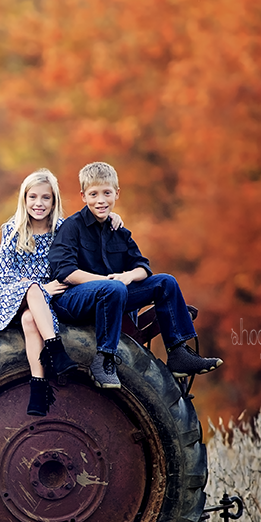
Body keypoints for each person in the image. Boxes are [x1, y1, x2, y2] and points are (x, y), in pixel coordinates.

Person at [48, 161, 222, 389]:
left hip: (115, 293)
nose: (101, 200)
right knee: (114, 288)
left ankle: (178, 353)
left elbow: (142, 266)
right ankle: (104, 360)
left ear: (116, 194)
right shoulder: (72, 227)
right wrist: (107, 281)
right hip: (74, 300)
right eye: (94, 194)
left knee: (165, 282)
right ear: (83, 196)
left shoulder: (119, 230)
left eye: (107, 193)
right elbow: (65, 272)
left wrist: (127, 276)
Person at [0, 168, 121, 416]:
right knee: (32, 289)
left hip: (47, 301)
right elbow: (6, 275)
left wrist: (112, 216)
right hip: (14, 294)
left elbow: (91, 221)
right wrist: (41, 288)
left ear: (54, 200)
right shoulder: (13, 230)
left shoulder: (63, 228)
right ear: (24, 199)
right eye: (33, 197)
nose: (39, 203)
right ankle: (56, 350)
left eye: (46, 198)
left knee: (29, 319)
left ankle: (39, 388)